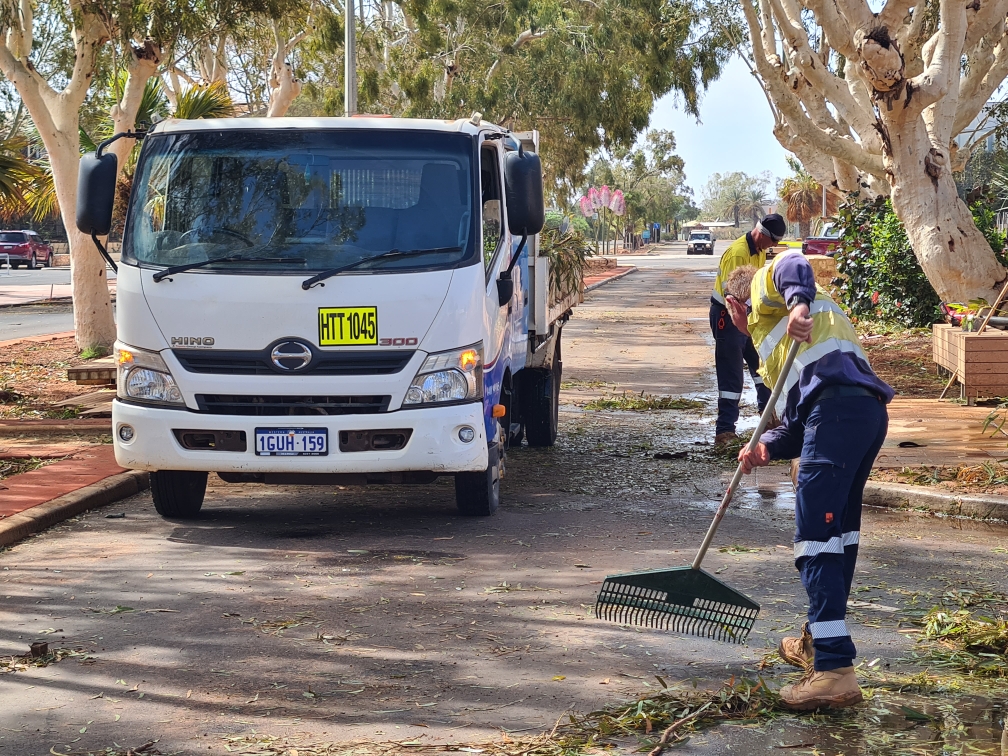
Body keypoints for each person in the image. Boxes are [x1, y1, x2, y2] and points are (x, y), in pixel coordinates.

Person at [723, 253, 893, 710]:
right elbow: (800, 424)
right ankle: (820, 641)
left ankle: (835, 670)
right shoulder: (777, 342)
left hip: (838, 415)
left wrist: (798, 302)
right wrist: (766, 448)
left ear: (732, 305)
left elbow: (791, 263)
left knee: (815, 541)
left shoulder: (767, 292)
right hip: (862, 414)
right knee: (839, 537)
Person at [710, 214, 785, 448]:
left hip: (747, 314)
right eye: (772, 242)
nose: (772, 247)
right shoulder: (738, 253)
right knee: (731, 376)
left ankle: (769, 422)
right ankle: (725, 432)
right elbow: (733, 295)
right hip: (728, 315)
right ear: (762, 234)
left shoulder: (759, 250)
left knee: (763, 368)